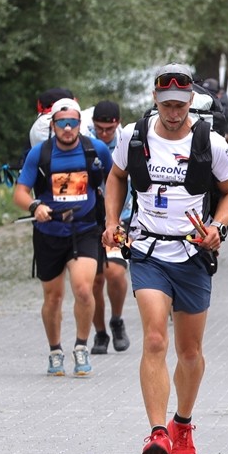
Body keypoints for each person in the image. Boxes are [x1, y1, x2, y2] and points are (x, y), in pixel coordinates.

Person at [102, 64, 228, 454]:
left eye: (180, 105)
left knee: (190, 351)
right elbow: (116, 177)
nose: (174, 112)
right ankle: (157, 432)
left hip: (193, 254)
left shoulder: (211, 142)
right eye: (167, 105)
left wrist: (218, 227)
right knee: (155, 339)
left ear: (190, 102)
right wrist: (112, 222)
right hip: (148, 251)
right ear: (155, 100)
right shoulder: (134, 136)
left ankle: (182, 423)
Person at [13, 97, 113, 377]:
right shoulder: (40, 154)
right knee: (53, 297)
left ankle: (81, 346)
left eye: (72, 122)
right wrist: (35, 206)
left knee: (83, 289)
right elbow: (20, 193)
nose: (67, 128)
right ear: (53, 125)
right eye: (62, 123)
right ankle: (55, 350)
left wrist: (113, 215)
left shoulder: (96, 150)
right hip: (49, 232)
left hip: (85, 229)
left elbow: (115, 180)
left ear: (80, 124)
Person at [88, 99, 131, 354]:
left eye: (109, 129)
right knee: (94, 281)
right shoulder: (86, 144)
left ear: (118, 124)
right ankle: (100, 333)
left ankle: (117, 320)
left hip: (121, 218)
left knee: (114, 273)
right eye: (99, 129)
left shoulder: (127, 142)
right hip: (91, 221)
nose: (104, 134)